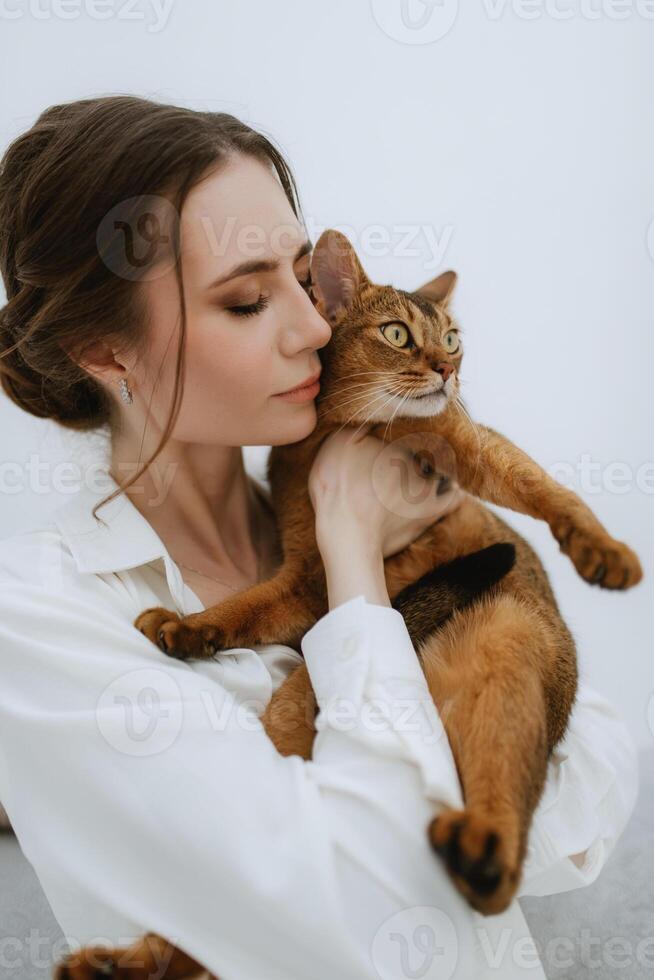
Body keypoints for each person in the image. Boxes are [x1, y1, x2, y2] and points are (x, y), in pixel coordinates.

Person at [0, 96, 638, 980]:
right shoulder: (35, 622)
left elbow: (587, 806)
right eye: (249, 300)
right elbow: (379, 933)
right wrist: (350, 561)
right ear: (106, 354)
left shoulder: (398, 499)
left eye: (304, 281)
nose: (313, 326)